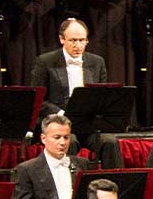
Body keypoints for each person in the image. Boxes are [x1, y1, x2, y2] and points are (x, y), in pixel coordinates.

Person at [28, 17, 122, 168]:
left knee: (109, 142)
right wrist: (61, 113)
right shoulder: (45, 61)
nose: (78, 45)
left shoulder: (97, 62)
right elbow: (37, 100)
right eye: (73, 40)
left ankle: (115, 186)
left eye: (82, 40)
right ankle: (69, 186)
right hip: (59, 123)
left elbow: (102, 96)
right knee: (69, 141)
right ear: (61, 39)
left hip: (88, 124)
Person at [9, 114, 89, 199]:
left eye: (66, 137)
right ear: (43, 138)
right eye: (57, 137)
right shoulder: (26, 170)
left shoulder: (82, 164)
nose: (63, 142)